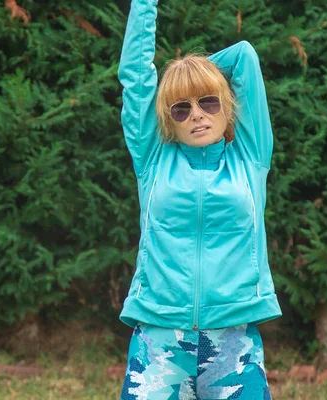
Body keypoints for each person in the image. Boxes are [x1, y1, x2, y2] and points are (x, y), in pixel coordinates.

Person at [118, 1, 282, 399]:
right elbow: (136, 79)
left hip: (233, 342)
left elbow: (244, 56)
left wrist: (188, 74)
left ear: (226, 107)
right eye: (181, 106)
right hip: (159, 342)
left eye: (208, 101)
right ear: (168, 118)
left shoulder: (250, 156)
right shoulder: (153, 158)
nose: (197, 114)